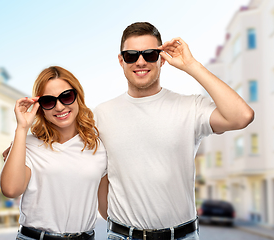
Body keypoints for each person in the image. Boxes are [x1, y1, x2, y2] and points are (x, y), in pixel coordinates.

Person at [93, 22, 254, 240]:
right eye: (131, 55)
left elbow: (241, 116)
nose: (140, 61)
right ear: (121, 61)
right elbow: (99, 174)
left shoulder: (190, 107)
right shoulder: (100, 115)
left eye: (149, 54)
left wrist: (191, 65)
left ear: (162, 59)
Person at [0, 66, 108, 240]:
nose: (59, 107)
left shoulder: (98, 147)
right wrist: (22, 128)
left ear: (77, 97)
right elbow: (11, 190)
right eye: (49, 101)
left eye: (66, 97)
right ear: (40, 107)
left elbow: (106, 209)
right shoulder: (28, 144)